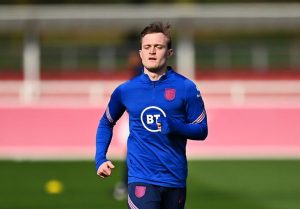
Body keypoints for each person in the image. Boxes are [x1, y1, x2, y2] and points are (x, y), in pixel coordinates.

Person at [95, 22, 208, 209]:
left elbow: (202, 130)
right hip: (141, 178)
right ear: (140, 53)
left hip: (175, 179)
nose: (152, 51)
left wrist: (175, 126)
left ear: (169, 52)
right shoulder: (126, 90)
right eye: (147, 47)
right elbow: (106, 123)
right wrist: (101, 158)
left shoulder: (187, 88)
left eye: (158, 47)